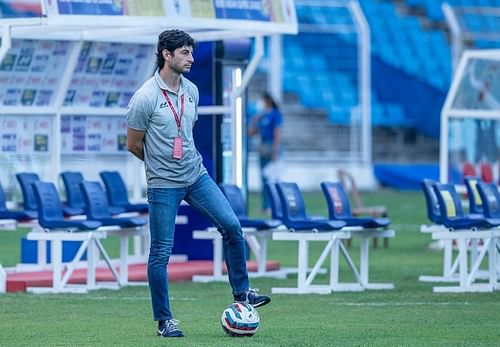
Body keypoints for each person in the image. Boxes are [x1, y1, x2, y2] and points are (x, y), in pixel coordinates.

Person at [126, 29, 271, 338]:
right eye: (185, 53)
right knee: (160, 253)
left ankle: (243, 294)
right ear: (166, 54)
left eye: (192, 52)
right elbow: (133, 144)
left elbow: (186, 132)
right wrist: (159, 165)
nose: (191, 58)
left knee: (232, 227)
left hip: (196, 175)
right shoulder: (145, 97)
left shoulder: (191, 91)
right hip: (163, 184)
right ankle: (165, 321)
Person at [248, 92, 283, 213]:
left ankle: (274, 205)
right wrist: (253, 120)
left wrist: (275, 150)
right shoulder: (261, 116)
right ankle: (265, 205)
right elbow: (252, 132)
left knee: (272, 178)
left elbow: (277, 132)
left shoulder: (275, 115)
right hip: (263, 148)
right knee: (263, 178)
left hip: (271, 147)